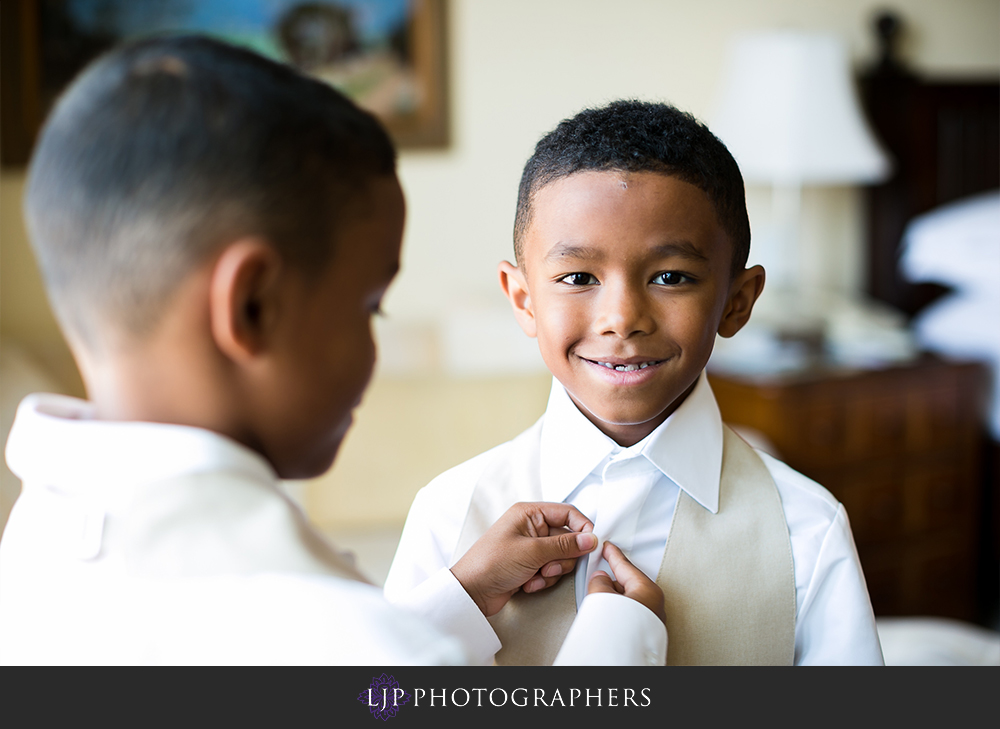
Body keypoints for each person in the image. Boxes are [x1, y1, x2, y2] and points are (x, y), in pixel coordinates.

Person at [0, 37, 666, 666]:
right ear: (252, 306)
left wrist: (456, 597)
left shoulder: (37, 539)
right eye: (369, 306)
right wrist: (615, 647)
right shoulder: (344, 638)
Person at [383, 100, 886, 665]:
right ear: (523, 300)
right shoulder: (451, 513)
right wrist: (460, 600)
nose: (621, 317)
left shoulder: (807, 531)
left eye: (671, 277)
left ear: (737, 302)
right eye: (578, 277)